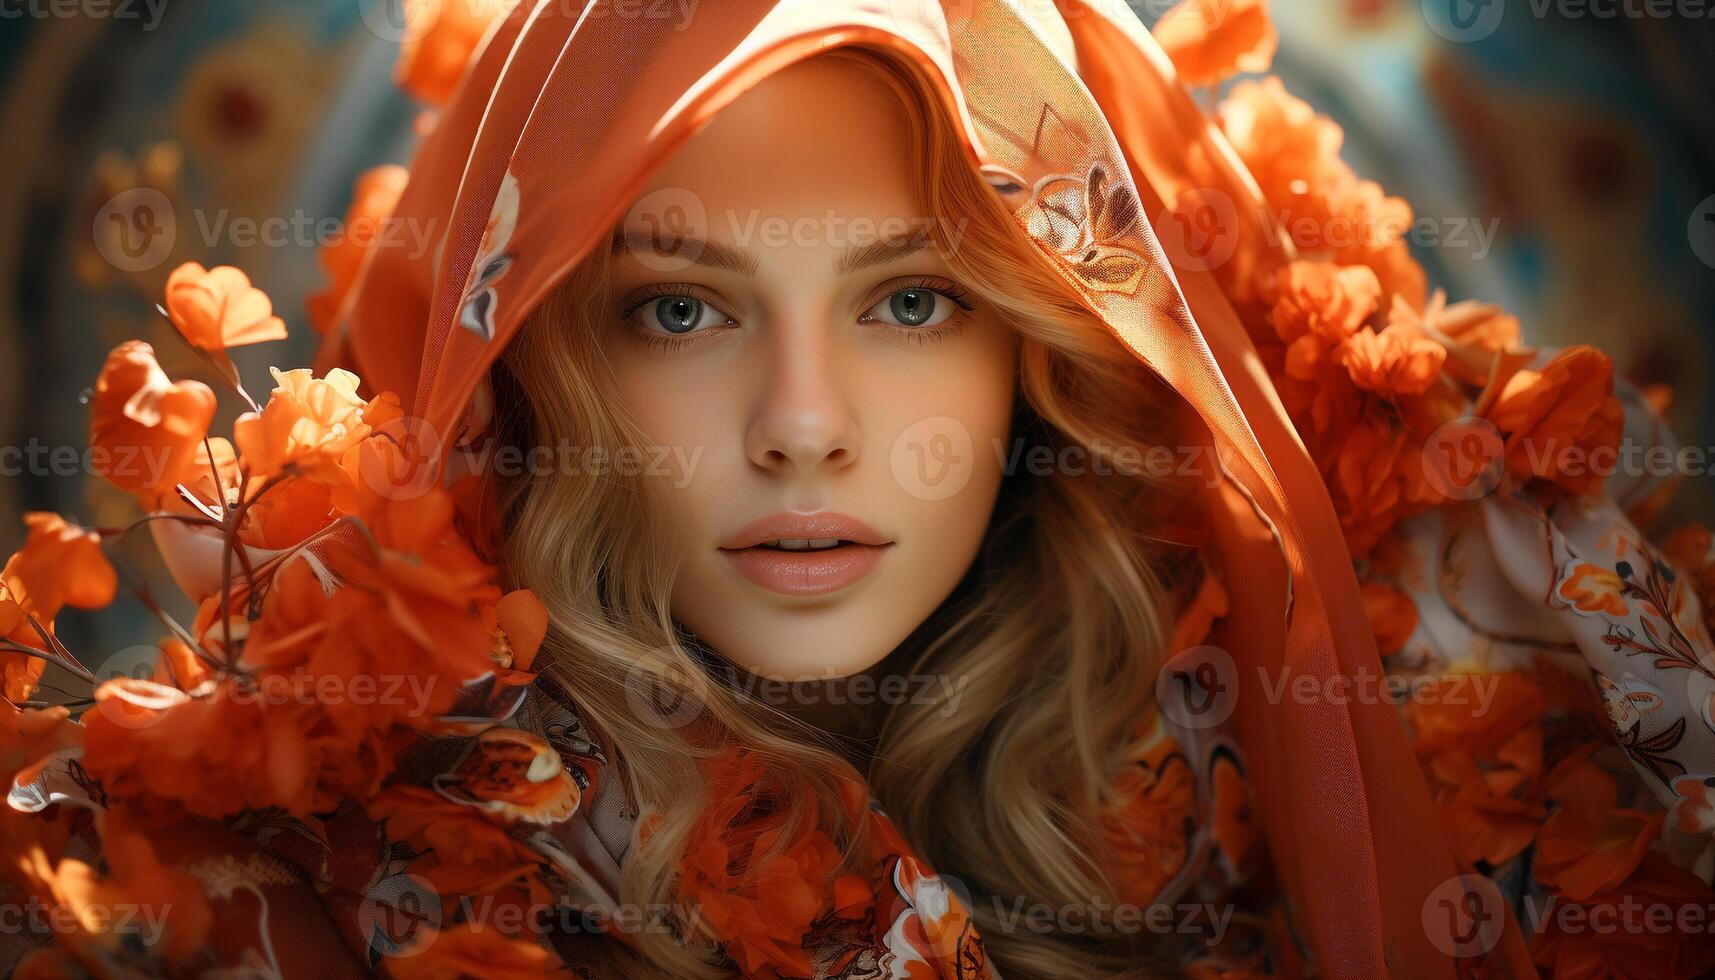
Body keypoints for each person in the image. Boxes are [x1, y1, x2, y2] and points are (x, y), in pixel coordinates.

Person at [6, 1, 1714, 977]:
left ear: (1052, 343)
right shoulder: (290, 888)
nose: (805, 429)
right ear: (522, 357)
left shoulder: (1357, 731)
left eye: (911, 299)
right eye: (680, 308)